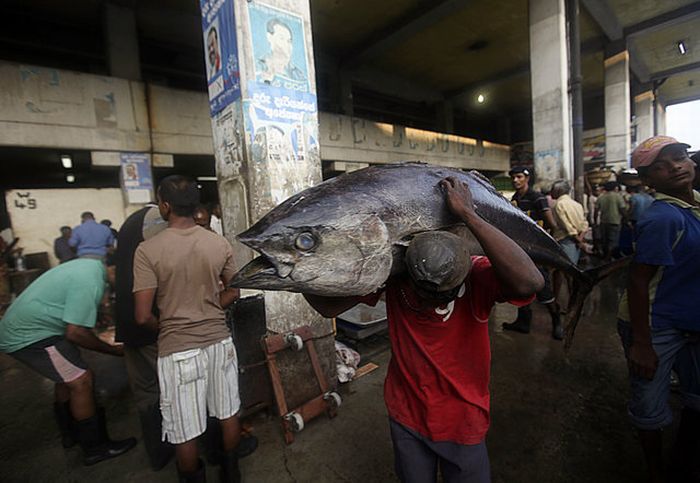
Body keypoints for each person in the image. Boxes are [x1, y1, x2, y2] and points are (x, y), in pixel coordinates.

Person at [304, 177, 543, 483]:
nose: (432, 295)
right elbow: (328, 307)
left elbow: (531, 282)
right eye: (425, 288)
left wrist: (470, 215)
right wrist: (301, 271)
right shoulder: (395, 275)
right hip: (407, 416)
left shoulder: (479, 275)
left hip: (462, 421)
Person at [133, 176, 244, 482]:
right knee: (228, 413)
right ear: (195, 206)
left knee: (185, 431)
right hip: (220, 343)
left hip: (178, 349)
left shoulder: (148, 250)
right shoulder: (218, 243)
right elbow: (234, 291)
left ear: (164, 206)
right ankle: (231, 474)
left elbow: (142, 316)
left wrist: (169, 324)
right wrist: (207, 308)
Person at [617, 135, 700, 483]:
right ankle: (655, 473)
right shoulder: (663, 218)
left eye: (680, 156)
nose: (676, 166)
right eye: (661, 165)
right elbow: (638, 282)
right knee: (649, 407)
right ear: (648, 180)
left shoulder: (696, 205)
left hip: (690, 322)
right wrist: (642, 343)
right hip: (655, 325)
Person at [0, 258, 136, 465]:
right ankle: (95, 448)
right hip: (31, 335)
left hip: (27, 326)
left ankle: (71, 434)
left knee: (66, 378)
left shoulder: (89, 266)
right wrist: (113, 351)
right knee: (81, 380)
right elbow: (75, 333)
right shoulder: (92, 280)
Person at [114, 204, 173, 471]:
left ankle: (157, 454)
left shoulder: (130, 223)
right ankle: (182, 446)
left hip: (127, 325)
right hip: (149, 322)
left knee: (146, 392)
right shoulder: (155, 219)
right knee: (174, 389)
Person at [502, 166, 564, 340]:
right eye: (513, 177)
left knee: (543, 289)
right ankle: (523, 322)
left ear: (527, 178)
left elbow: (551, 224)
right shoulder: (515, 199)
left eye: (519, 177)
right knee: (521, 286)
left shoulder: (537, 198)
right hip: (520, 251)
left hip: (535, 253)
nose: (515, 180)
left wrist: (544, 246)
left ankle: (557, 321)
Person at [550, 180, 588, 265]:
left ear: (557, 190)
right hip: (577, 239)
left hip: (565, 239)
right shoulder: (577, 205)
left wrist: (578, 240)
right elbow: (584, 224)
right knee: (573, 265)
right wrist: (580, 238)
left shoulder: (559, 204)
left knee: (566, 267)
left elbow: (567, 226)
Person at [257, 18, 306, 85]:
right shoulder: (259, 65)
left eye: (289, 41)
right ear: (269, 37)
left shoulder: (298, 75)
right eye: (281, 38)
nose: (286, 45)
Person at [595, 181, 626, 260]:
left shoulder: (601, 197)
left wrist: (595, 221)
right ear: (615, 188)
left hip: (603, 222)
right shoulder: (618, 196)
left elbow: (596, 211)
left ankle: (605, 256)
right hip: (615, 222)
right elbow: (622, 209)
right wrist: (626, 219)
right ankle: (608, 258)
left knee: (604, 240)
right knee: (612, 241)